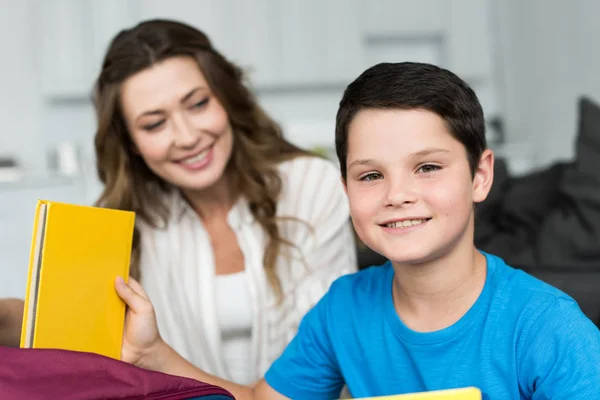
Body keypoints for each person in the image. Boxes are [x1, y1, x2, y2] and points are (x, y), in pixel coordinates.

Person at [114, 61, 600, 399]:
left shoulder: (549, 328)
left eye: (427, 167)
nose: (397, 194)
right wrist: (154, 353)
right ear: (345, 187)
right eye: (371, 175)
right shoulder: (342, 309)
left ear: (480, 176)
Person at [0, 19, 357, 385]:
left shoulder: (311, 184)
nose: (187, 137)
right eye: (155, 124)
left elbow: (330, 353)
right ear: (132, 144)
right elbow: (57, 319)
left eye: (198, 104)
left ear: (226, 98)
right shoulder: (123, 221)